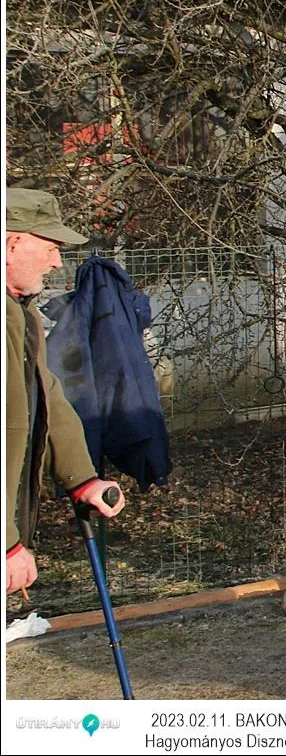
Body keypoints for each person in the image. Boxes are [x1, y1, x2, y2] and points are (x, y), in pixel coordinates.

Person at [5, 188, 126, 595]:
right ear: (12, 244)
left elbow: (47, 397)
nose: (57, 261)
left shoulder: (19, 313)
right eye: (51, 246)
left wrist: (82, 478)